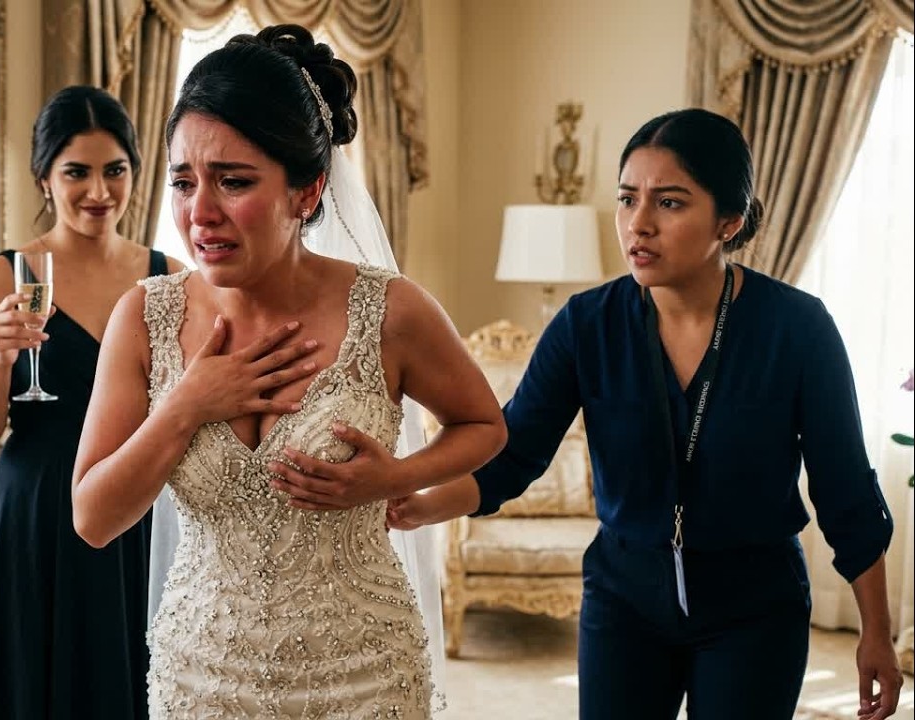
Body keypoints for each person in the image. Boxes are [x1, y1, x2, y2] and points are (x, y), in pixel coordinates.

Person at [384, 108, 904, 720]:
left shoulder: (798, 328)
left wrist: (877, 632)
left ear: (729, 221)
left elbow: (845, 487)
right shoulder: (586, 325)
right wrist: (415, 503)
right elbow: (516, 451)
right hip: (624, 600)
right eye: (628, 199)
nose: (639, 224)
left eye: (671, 203)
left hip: (754, 607)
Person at [72, 24, 507, 718]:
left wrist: (392, 478)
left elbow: (485, 425)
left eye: (233, 181)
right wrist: (185, 405)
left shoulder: (390, 310)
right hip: (204, 672)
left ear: (307, 191)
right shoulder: (144, 319)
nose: (200, 213)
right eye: (183, 182)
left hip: (363, 669)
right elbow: (93, 518)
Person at [0, 85, 183, 719]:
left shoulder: (169, 276)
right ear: (44, 179)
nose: (99, 192)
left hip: (134, 509)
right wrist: (1, 358)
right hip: (34, 514)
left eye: (116, 170)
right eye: (76, 172)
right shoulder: (4, 277)